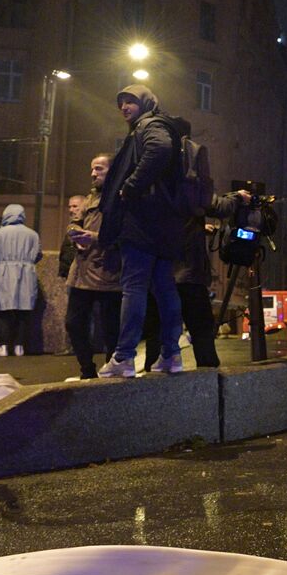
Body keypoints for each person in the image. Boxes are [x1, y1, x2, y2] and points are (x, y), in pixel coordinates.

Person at [97, 84, 185, 378]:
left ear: (146, 103)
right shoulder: (158, 125)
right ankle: (171, 355)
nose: (124, 107)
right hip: (163, 222)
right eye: (121, 102)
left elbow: (159, 149)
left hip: (142, 221)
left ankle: (123, 357)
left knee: (133, 287)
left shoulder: (149, 125)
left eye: (131, 101)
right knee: (164, 288)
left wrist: (129, 187)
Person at [142, 186, 251, 370]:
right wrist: (238, 197)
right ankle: (209, 382)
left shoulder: (150, 188)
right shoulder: (186, 184)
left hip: (157, 274)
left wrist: (199, 227)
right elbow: (217, 206)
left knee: (157, 334)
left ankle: (153, 382)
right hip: (187, 274)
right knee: (202, 332)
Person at [65, 154, 122, 380]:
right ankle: (87, 370)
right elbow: (76, 221)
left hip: (108, 272)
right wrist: (74, 232)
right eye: (92, 169)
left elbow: (125, 235)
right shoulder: (90, 198)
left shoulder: (119, 199)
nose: (93, 174)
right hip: (81, 271)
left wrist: (95, 237)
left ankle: (111, 370)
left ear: (112, 171)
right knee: (73, 323)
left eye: (99, 169)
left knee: (111, 329)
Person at [0, 203, 42, 357]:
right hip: (27, 273)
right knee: (24, 310)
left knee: (4, 309)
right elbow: (38, 255)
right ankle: (20, 346)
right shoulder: (33, 234)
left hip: (4, 273)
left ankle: (3, 346)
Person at [57, 194, 85, 280]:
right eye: (69, 207)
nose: (71, 210)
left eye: (75, 206)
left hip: (80, 276)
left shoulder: (87, 227)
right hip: (69, 274)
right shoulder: (72, 226)